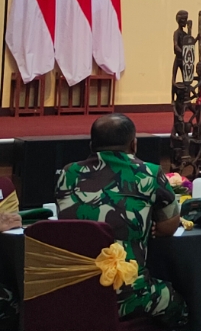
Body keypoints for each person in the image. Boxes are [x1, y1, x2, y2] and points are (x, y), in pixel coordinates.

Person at [55, 114, 188, 327]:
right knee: (179, 305)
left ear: (91, 145)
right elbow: (169, 223)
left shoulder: (68, 173)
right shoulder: (149, 172)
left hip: (73, 290)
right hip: (127, 292)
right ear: (134, 144)